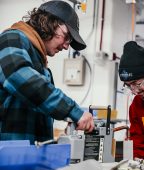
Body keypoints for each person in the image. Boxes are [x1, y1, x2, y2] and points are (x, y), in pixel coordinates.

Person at [0, 0, 94, 144]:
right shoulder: (12, 39)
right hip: (7, 156)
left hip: (28, 156)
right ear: (49, 23)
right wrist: (73, 111)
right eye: (67, 37)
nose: (66, 46)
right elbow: (18, 76)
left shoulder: (40, 63)